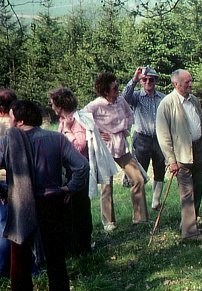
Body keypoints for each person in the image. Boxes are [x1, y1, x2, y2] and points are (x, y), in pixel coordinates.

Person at [0, 100, 88, 291]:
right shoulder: (56, 138)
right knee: (56, 259)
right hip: (52, 203)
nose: (9, 121)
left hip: (21, 204)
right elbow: (82, 166)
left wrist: (3, 191)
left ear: (20, 121)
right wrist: (70, 188)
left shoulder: (8, 142)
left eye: (11, 117)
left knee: (19, 259)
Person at [83, 71, 148, 231]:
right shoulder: (96, 104)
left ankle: (140, 218)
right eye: (114, 88)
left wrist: (125, 127)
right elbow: (82, 118)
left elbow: (130, 115)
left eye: (117, 87)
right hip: (105, 149)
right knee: (107, 185)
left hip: (121, 145)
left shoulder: (120, 100)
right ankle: (108, 222)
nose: (117, 90)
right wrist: (97, 132)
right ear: (105, 91)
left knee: (138, 179)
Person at [155, 69, 202, 241]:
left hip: (199, 150)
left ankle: (188, 223)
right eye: (187, 82)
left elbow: (201, 121)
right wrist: (171, 160)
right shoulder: (166, 104)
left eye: (191, 81)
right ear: (176, 84)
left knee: (198, 189)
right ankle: (190, 233)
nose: (191, 84)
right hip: (181, 155)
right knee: (187, 194)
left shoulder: (194, 100)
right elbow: (163, 135)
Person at [48, 87, 93, 256]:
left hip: (77, 170)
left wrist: (67, 130)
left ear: (60, 105)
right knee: (71, 208)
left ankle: (83, 246)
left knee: (80, 207)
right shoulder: (64, 120)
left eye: (53, 103)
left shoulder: (75, 121)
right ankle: (74, 245)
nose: (51, 106)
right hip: (68, 169)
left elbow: (80, 147)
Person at [123, 66, 167, 209]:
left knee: (160, 170)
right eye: (145, 79)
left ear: (156, 81)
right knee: (138, 174)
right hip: (141, 139)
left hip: (160, 139)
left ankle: (156, 202)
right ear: (141, 81)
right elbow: (124, 97)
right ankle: (139, 209)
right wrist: (134, 79)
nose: (148, 82)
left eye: (151, 79)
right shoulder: (136, 97)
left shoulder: (163, 98)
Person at [0, 88, 17, 276]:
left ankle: (3, 268)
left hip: (2, 181)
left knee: (3, 226)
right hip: (16, 180)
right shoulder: (15, 127)